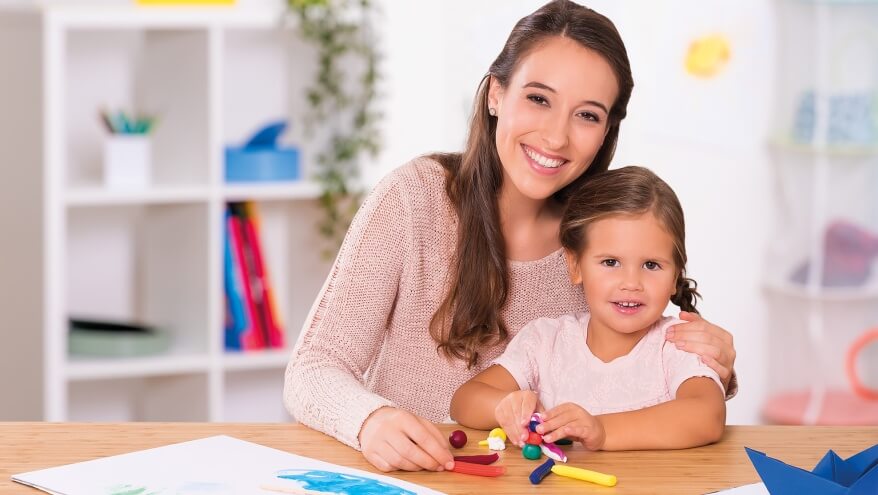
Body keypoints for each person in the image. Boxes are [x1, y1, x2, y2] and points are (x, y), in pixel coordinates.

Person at [284, 0, 738, 473]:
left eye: (587, 115)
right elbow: (313, 369)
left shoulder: (599, 244)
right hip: (399, 477)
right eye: (538, 99)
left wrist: (715, 367)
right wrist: (370, 421)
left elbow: (640, 373)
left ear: (607, 131)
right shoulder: (414, 198)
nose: (556, 137)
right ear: (496, 94)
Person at [450, 166, 726, 451]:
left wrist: (602, 431)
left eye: (651, 265)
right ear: (575, 265)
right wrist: (505, 406)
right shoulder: (546, 341)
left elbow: (707, 415)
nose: (631, 283)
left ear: (675, 277)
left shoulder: (677, 343)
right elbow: (464, 400)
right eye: (610, 262)